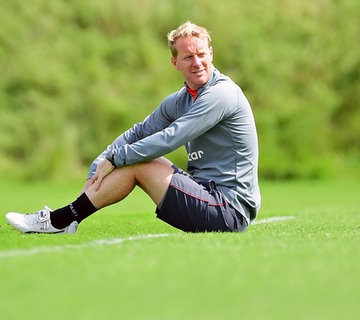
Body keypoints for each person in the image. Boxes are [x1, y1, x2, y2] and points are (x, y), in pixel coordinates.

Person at [5, 21, 260, 234]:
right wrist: (101, 162)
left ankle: (61, 219)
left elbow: (173, 137)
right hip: (206, 194)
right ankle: (66, 219)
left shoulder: (222, 94)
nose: (197, 62)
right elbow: (140, 132)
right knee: (137, 155)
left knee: (138, 160)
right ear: (175, 63)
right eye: (188, 57)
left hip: (229, 209)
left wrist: (117, 158)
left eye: (202, 54)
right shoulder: (179, 100)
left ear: (211, 53)